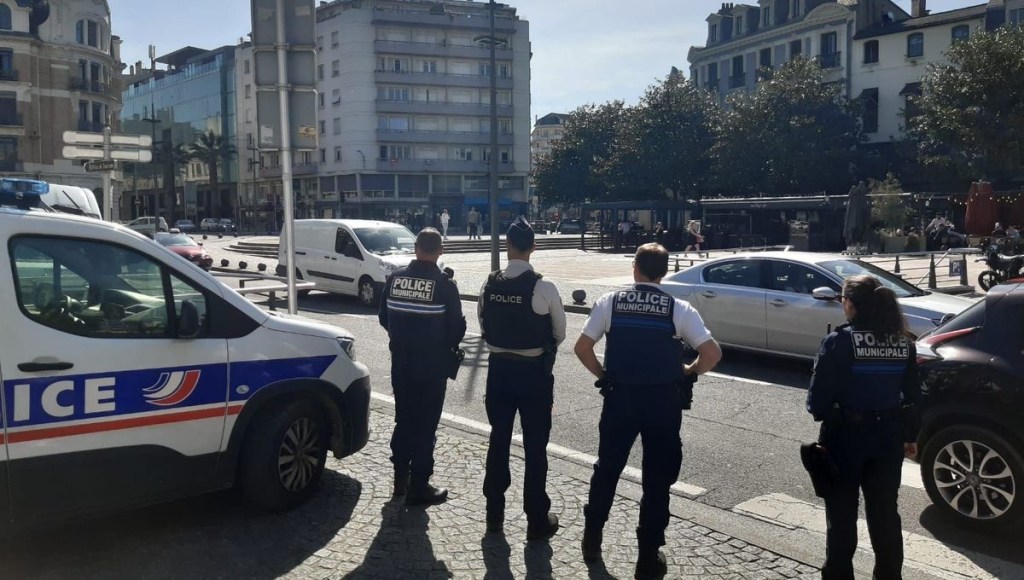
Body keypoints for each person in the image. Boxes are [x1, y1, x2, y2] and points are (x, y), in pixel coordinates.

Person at [574, 243, 722, 579]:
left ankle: (592, 538)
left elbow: (582, 348)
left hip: (620, 399)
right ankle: (647, 557)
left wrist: (604, 375)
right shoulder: (679, 308)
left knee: (607, 469)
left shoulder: (610, 302)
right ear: (664, 272)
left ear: (635, 269)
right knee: (657, 480)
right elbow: (712, 354)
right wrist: (689, 372)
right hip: (662, 403)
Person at [806, 274, 920, 580]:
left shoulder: (839, 342)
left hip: (846, 439)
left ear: (852, 305)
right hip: (889, 437)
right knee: (885, 515)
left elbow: (817, 404)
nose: (842, 304)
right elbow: (914, 397)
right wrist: (910, 436)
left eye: (842, 299)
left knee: (842, 517)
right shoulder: (904, 342)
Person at [479, 216, 566, 541]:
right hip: (533, 374)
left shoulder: (490, 284)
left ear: (507, 246)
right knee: (535, 447)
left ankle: (494, 513)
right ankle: (536, 519)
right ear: (534, 247)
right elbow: (559, 332)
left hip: (499, 372)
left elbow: (484, 324)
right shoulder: (544, 287)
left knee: (498, 440)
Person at [378, 228, 466, 506]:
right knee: (426, 424)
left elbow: (383, 317)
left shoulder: (395, 278)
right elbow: (457, 329)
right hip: (432, 365)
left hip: (401, 363)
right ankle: (419, 485)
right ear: (440, 251)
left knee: (404, 419)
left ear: (415, 248)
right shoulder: (444, 285)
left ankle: (399, 479)